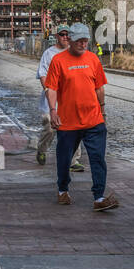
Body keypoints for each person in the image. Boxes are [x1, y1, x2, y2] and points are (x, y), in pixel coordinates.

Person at [44, 22, 118, 211]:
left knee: (98, 158)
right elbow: (51, 88)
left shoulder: (93, 59)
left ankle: (99, 198)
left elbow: (99, 88)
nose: (84, 44)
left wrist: (103, 110)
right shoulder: (58, 61)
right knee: (64, 158)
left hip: (94, 120)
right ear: (69, 39)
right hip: (67, 122)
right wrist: (53, 110)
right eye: (80, 41)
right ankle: (63, 190)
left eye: (86, 41)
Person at [35, 25, 83, 171]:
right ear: (56, 36)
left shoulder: (74, 53)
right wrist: (49, 91)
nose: (65, 37)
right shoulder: (49, 54)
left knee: (74, 129)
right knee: (50, 128)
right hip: (52, 100)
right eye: (62, 34)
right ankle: (42, 150)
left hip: (70, 99)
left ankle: (73, 161)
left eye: (68, 35)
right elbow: (43, 74)